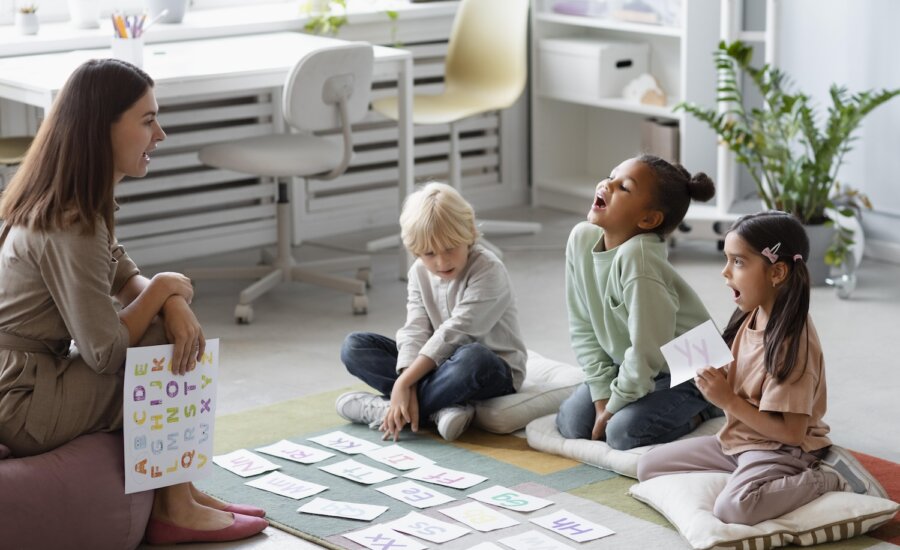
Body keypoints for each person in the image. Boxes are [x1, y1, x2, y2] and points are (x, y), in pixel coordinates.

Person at [0, 59, 268, 545]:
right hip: (22, 400)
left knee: (166, 327)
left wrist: (171, 302)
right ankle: (174, 506)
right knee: (162, 345)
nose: (160, 134)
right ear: (100, 128)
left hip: (21, 379)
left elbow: (125, 278)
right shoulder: (71, 221)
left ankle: (180, 490)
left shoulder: (74, 200)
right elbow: (104, 350)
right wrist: (166, 289)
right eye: (147, 120)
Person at [636, 211, 887, 525]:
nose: (726, 272)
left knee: (733, 509)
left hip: (781, 449)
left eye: (738, 262)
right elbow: (747, 377)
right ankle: (747, 471)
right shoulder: (750, 314)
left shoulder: (792, 346)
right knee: (647, 465)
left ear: (777, 272)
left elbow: (792, 434)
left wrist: (727, 400)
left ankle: (827, 478)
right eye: (727, 260)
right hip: (738, 439)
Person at [336, 182, 527, 442]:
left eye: (450, 248)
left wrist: (403, 385)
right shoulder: (418, 271)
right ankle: (438, 408)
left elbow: (456, 333)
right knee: (354, 346)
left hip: (489, 370)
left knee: (473, 358)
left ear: (469, 233)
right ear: (416, 252)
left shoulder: (489, 269)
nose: (441, 262)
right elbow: (415, 328)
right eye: (428, 253)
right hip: (437, 368)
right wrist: (406, 377)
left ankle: (389, 410)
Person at [557, 154, 721, 450]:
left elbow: (647, 351)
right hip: (634, 365)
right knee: (572, 423)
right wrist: (601, 396)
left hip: (691, 373)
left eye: (624, 187)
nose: (607, 184)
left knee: (621, 433)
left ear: (648, 219)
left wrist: (613, 407)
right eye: (611, 176)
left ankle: (704, 411)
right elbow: (583, 326)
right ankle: (638, 398)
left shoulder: (639, 258)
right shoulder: (581, 239)